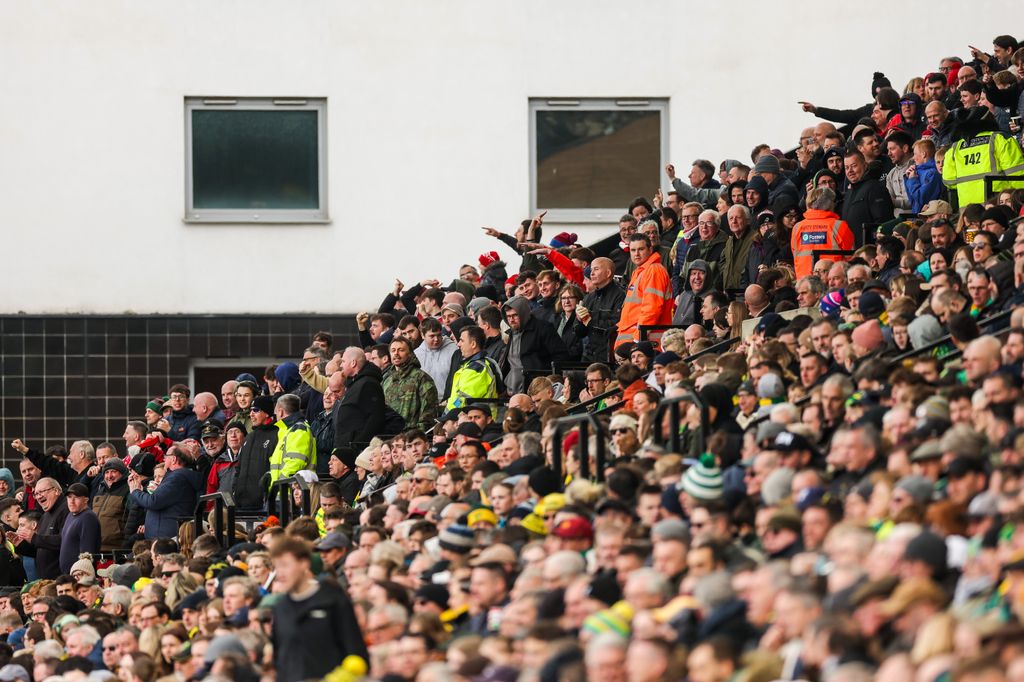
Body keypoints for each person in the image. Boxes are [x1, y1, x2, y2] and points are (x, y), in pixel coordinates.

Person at [270, 536, 369, 680]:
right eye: (276, 567)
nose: (280, 574)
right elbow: (280, 659)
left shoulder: (333, 600)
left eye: (285, 565)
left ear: (304, 563)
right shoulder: (280, 608)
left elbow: (356, 652)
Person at [127, 446, 201, 539]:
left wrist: (135, 491)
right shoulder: (181, 477)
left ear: (173, 459)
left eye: (166, 456)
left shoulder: (177, 478)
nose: (164, 459)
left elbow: (153, 502)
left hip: (167, 539)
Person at [615, 234, 674, 348]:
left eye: (641, 249)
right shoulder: (640, 271)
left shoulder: (654, 271)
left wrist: (638, 339)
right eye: (633, 250)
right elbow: (634, 309)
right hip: (636, 340)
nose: (636, 254)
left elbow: (652, 309)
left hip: (646, 342)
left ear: (650, 250)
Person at [333, 347, 387, 459]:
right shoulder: (355, 383)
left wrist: (357, 444)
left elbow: (375, 418)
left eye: (343, 361)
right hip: (348, 448)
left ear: (353, 363)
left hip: (357, 452)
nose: (341, 365)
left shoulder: (368, 383)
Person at [10, 476, 67, 579]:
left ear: (56, 491)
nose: (38, 497)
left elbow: (65, 541)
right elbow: (40, 550)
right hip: (46, 580)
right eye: (36, 494)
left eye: (42, 492)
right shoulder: (45, 515)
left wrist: (34, 538)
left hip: (61, 579)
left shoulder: (66, 509)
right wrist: (20, 544)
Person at [791, 187, 855, 278]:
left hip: (804, 282)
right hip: (832, 280)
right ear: (830, 204)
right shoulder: (839, 226)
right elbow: (851, 258)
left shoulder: (797, 228)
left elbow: (795, 255)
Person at [382, 336, 439, 432]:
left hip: (411, 436)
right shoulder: (386, 379)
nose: (396, 353)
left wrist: (416, 433)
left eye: (401, 350)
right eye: (393, 350)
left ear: (410, 354)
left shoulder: (421, 378)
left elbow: (429, 413)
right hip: (388, 435)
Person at [233, 395, 279, 512]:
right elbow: (239, 468)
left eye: (256, 410)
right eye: (251, 410)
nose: (251, 414)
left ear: (267, 413)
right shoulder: (249, 437)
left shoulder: (276, 435)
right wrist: (235, 490)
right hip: (241, 504)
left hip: (263, 505)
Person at [268, 394, 316, 488]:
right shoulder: (289, 430)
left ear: (280, 411)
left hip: (292, 491)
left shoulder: (298, 429)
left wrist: (279, 485)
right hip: (286, 490)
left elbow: (295, 462)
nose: (275, 416)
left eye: (275, 413)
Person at [59, 483, 100, 574]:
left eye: (76, 497)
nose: (71, 501)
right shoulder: (70, 515)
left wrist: (80, 575)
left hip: (79, 575)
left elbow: (87, 553)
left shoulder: (88, 517)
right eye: (69, 497)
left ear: (86, 500)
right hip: (69, 574)